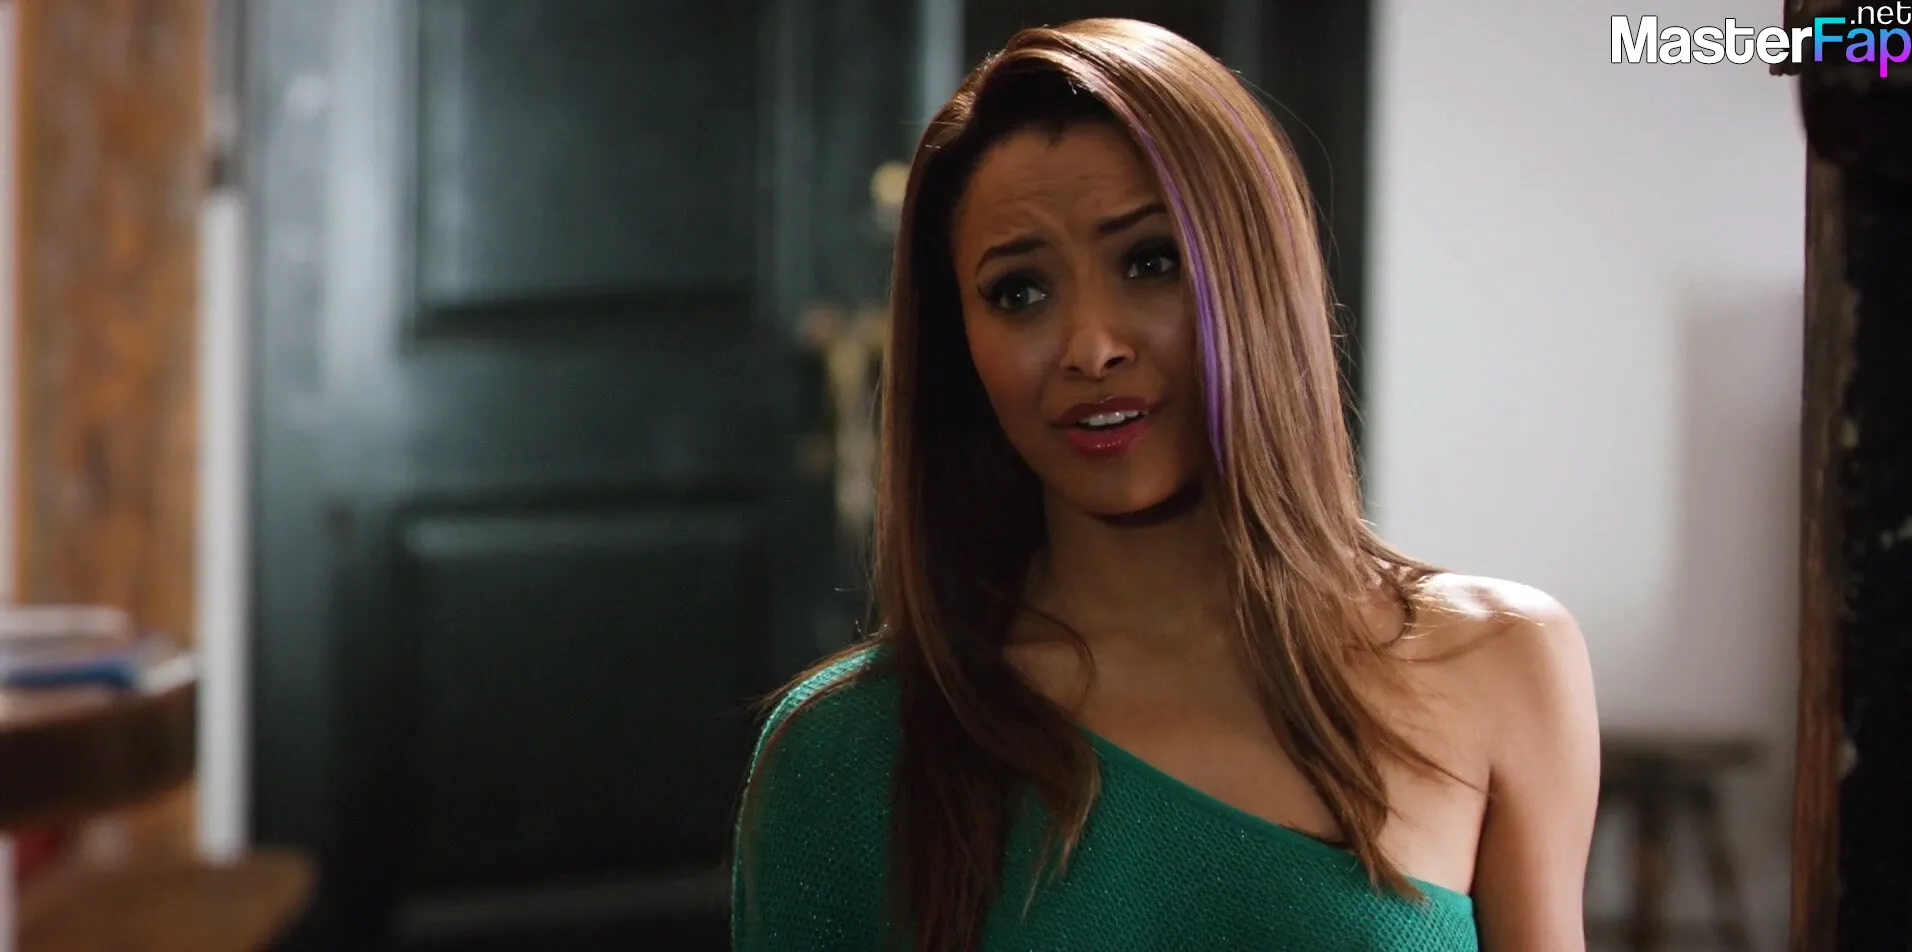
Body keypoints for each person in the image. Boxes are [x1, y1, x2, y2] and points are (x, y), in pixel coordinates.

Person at [731, 17, 1599, 952]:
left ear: (1258, 279)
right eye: (1019, 291)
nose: (1091, 347)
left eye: (1150, 262)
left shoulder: (1499, 665)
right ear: (960, 347)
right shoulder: (848, 752)